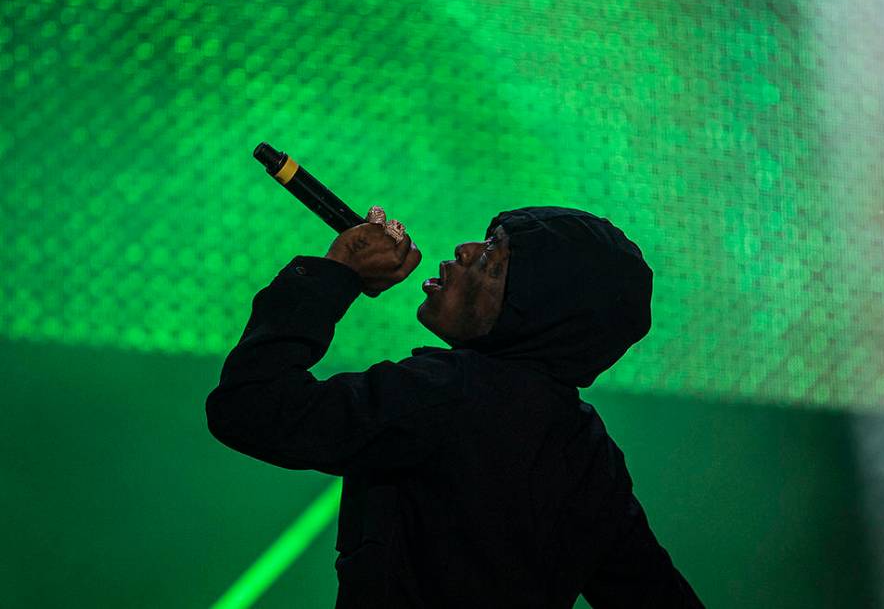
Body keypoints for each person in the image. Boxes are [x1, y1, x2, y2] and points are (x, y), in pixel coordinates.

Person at [206, 205, 704, 608]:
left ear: (533, 308)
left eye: (492, 260)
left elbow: (251, 405)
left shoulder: (449, 393)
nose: (464, 251)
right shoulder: (585, 448)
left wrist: (337, 272)